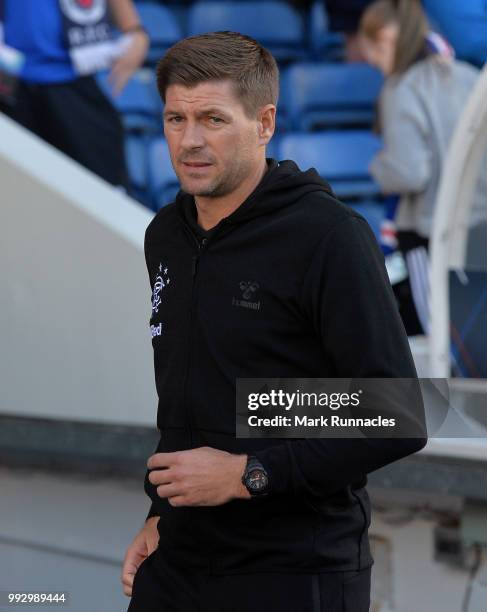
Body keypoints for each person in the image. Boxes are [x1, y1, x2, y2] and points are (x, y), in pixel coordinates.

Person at [121, 31, 428, 612]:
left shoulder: (329, 237)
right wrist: (162, 512)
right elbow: (193, 391)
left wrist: (249, 473)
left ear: (264, 123)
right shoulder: (165, 234)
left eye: (212, 118)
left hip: (297, 569)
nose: (189, 141)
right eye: (174, 119)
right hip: (181, 560)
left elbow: (398, 411)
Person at [360, 0, 487, 335]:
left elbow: (408, 172)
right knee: (471, 333)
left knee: (438, 335)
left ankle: (436, 392)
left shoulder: (401, 88)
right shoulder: (468, 76)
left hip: (428, 228)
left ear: (387, 39)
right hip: (476, 224)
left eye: (372, 48)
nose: (371, 60)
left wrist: (378, 168)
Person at [0, 0, 149, 189]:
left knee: (103, 186)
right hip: (9, 81)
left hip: (72, 78)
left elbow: (133, 30)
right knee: (14, 188)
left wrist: (135, 30)